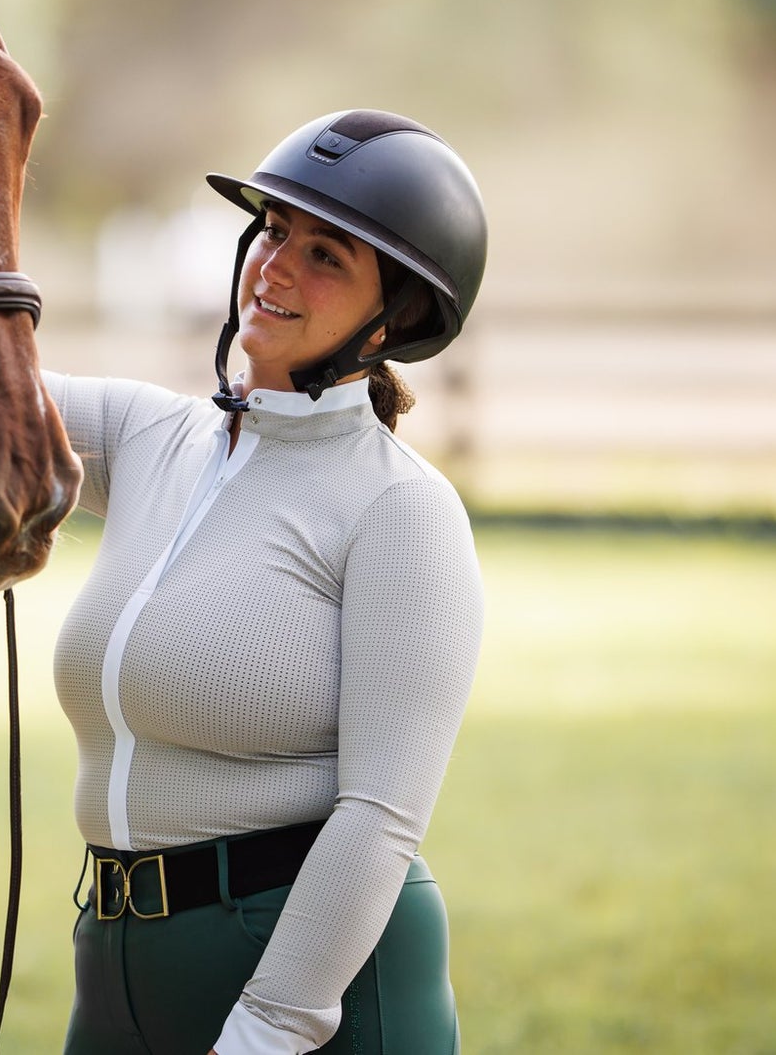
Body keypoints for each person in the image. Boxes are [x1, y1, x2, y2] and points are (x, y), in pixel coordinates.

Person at [46, 109, 488, 1055]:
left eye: (327, 256)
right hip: (116, 959)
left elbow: (381, 815)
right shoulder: (146, 435)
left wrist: (272, 1026)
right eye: (275, 232)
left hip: (308, 982)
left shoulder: (400, 509)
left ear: (396, 314)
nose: (275, 265)